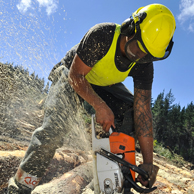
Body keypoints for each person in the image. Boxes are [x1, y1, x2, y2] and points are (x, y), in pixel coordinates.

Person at [7, 3, 176, 194]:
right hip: (72, 74)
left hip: (103, 84)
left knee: (131, 111)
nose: (139, 56)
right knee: (52, 131)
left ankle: (116, 179)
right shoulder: (103, 35)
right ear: (130, 28)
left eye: (147, 55)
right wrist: (99, 105)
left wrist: (148, 163)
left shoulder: (143, 62)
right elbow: (76, 75)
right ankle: (20, 187)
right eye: (138, 47)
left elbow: (143, 111)